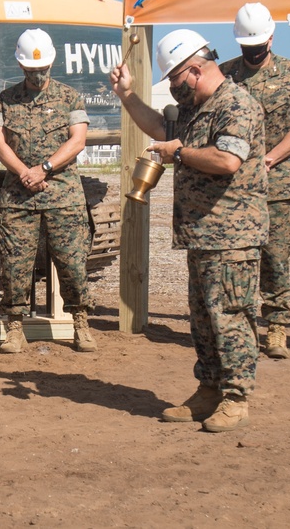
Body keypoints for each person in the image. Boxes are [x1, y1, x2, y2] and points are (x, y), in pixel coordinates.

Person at [110, 29, 267, 432]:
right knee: (203, 318)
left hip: (233, 237)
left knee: (231, 316)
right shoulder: (200, 107)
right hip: (204, 236)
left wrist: (178, 153)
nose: (175, 91)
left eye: (176, 81)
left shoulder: (236, 105)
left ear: (195, 70)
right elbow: (161, 131)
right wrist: (127, 96)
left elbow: (227, 160)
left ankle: (236, 397)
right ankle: (210, 389)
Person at [0, 28, 97, 354]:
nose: (39, 76)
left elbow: (77, 140)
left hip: (62, 195)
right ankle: (15, 328)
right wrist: (24, 172)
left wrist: (44, 169)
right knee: (14, 264)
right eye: (32, 71)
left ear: (52, 64)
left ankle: (80, 322)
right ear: (22, 67)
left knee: (73, 262)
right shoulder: (5, 101)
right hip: (19, 197)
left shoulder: (70, 98)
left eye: (43, 69)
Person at [219, 3, 290, 359]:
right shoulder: (224, 74)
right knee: (234, 261)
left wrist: (271, 158)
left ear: (272, 38)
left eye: (258, 45)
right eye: (247, 46)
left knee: (275, 259)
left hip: (276, 187)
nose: (253, 53)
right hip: (231, 192)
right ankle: (238, 327)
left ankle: (276, 326)